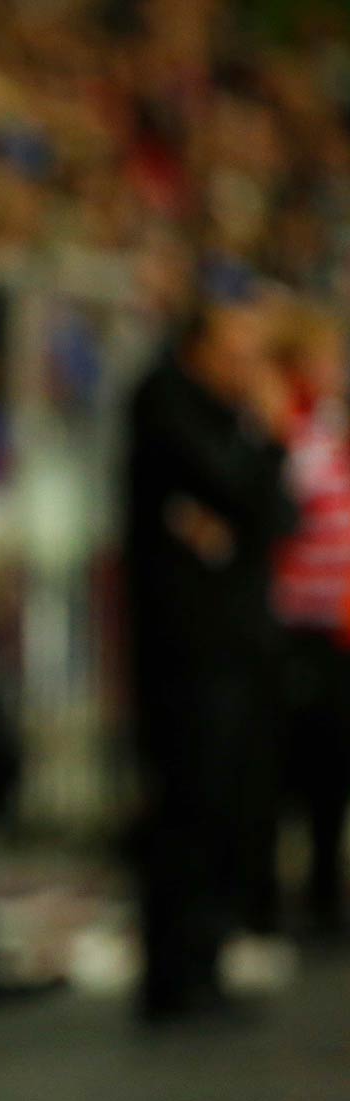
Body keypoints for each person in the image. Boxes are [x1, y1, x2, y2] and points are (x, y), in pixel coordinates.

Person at [124, 296, 297, 1024]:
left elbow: (271, 517)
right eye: (236, 350)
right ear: (197, 346)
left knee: (224, 803)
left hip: (233, 642)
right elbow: (234, 489)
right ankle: (175, 975)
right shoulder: (165, 402)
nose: (248, 368)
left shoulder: (221, 416)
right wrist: (267, 438)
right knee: (186, 804)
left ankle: (205, 963)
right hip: (185, 649)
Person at [268, 306, 350, 937]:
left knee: (333, 769)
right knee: (297, 762)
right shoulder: (290, 435)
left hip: (340, 627)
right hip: (300, 627)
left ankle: (325, 886)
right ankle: (276, 893)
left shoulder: (326, 430)